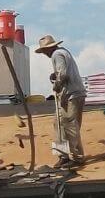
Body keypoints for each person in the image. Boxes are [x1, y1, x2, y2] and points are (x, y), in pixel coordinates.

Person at [35, 34, 86, 166]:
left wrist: (56, 85)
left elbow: (62, 74)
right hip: (70, 94)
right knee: (58, 123)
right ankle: (63, 154)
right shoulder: (63, 52)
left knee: (69, 125)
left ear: (48, 49)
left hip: (72, 94)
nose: (44, 54)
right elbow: (62, 72)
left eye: (44, 51)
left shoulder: (56, 54)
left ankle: (77, 157)